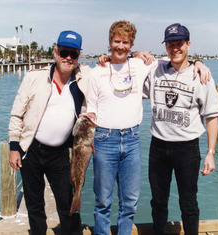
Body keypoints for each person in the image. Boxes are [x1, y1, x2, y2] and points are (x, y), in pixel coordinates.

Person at [87, 20, 210, 235]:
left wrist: (199, 62)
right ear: (109, 42)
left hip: (133, 140)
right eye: (117, 41)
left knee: (130, 202)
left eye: (126, 42)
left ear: (131, 44)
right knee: (103, 201)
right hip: (104, 139)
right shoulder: (97, 71)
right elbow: (90, 110)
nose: (121, 46)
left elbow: (176, 59)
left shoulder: (141, 65)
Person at [9, 30, 91, 235]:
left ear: (79, 56)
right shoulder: (34, 78)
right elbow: (16, 114)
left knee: (68, 202)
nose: (68, 58)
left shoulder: (84, 78)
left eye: (74, 54)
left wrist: (138, 55)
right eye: (64, 52)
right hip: (32, 150)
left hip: (61, 154)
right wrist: (14, 147)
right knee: (34, 204)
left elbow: (110, 67)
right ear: (56, 52)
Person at [143, 23, 218, 235]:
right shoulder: (156, 69)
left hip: (187, 149)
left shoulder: (201, 75)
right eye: (170, 44)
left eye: (179, 43)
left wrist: (211, 153)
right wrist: (136, 52)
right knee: (158, 201)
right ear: (165, 47)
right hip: (158, 146)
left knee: (188, 203)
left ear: (188, 44)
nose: (175, 48)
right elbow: (129, 61)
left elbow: (212, 116)